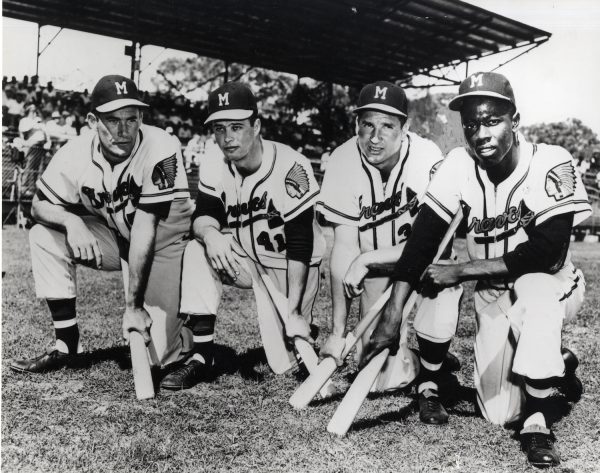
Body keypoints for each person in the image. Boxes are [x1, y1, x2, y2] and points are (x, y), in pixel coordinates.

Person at [361, 72, 591, 468]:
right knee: (498, 413)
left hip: (553, 283)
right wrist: (394, 311)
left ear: (514, 120)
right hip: (491, 291)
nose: (480, 133)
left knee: (534, 293)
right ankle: (559, 362)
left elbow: (548, 253)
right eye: (471, 124)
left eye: (491, 121)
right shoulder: (458, 164)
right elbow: (423, 241)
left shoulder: (551, 160)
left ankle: (537, 423)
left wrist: (461, 271)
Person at [10, 74, 194, 373]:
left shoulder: (161, 145)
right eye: (111, 120)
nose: (123, 130)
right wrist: (71, 220)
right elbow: (38, 206)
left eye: (130, 119)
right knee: (43, 234)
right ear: (92, 120)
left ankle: (187, 328)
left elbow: (146, 225)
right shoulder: (74, 152)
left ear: (141, 117)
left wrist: (133, 307)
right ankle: (66, 345)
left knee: (158, 360)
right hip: (121, 239)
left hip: (167, 246)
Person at [160, 82, 326, 389]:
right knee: (197, 250)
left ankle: (305, 331)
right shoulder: (214, 159)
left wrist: (292, 310)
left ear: (257, 125)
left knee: (288, 360)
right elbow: (203, 215)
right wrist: (210, 234)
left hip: (289, 264)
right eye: (220, 128)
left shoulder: (291, 165)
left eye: (237, 126)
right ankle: (201, 357)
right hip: (245, 258)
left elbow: (301, 244)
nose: (228, 137)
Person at [317, 81, 462, 394]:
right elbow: (344, 246)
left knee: (442, 294)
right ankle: (424, 357)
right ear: (356, 124)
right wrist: (338, 332)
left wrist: (367, 258)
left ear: (405, 127)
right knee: (375, 374)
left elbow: (437, 244)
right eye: (367, 125)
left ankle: (432, 354)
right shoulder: (342, 160)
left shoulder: (426, 156)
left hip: (423, 268)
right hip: (377, 275)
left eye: (387, 126)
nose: (375, 137)